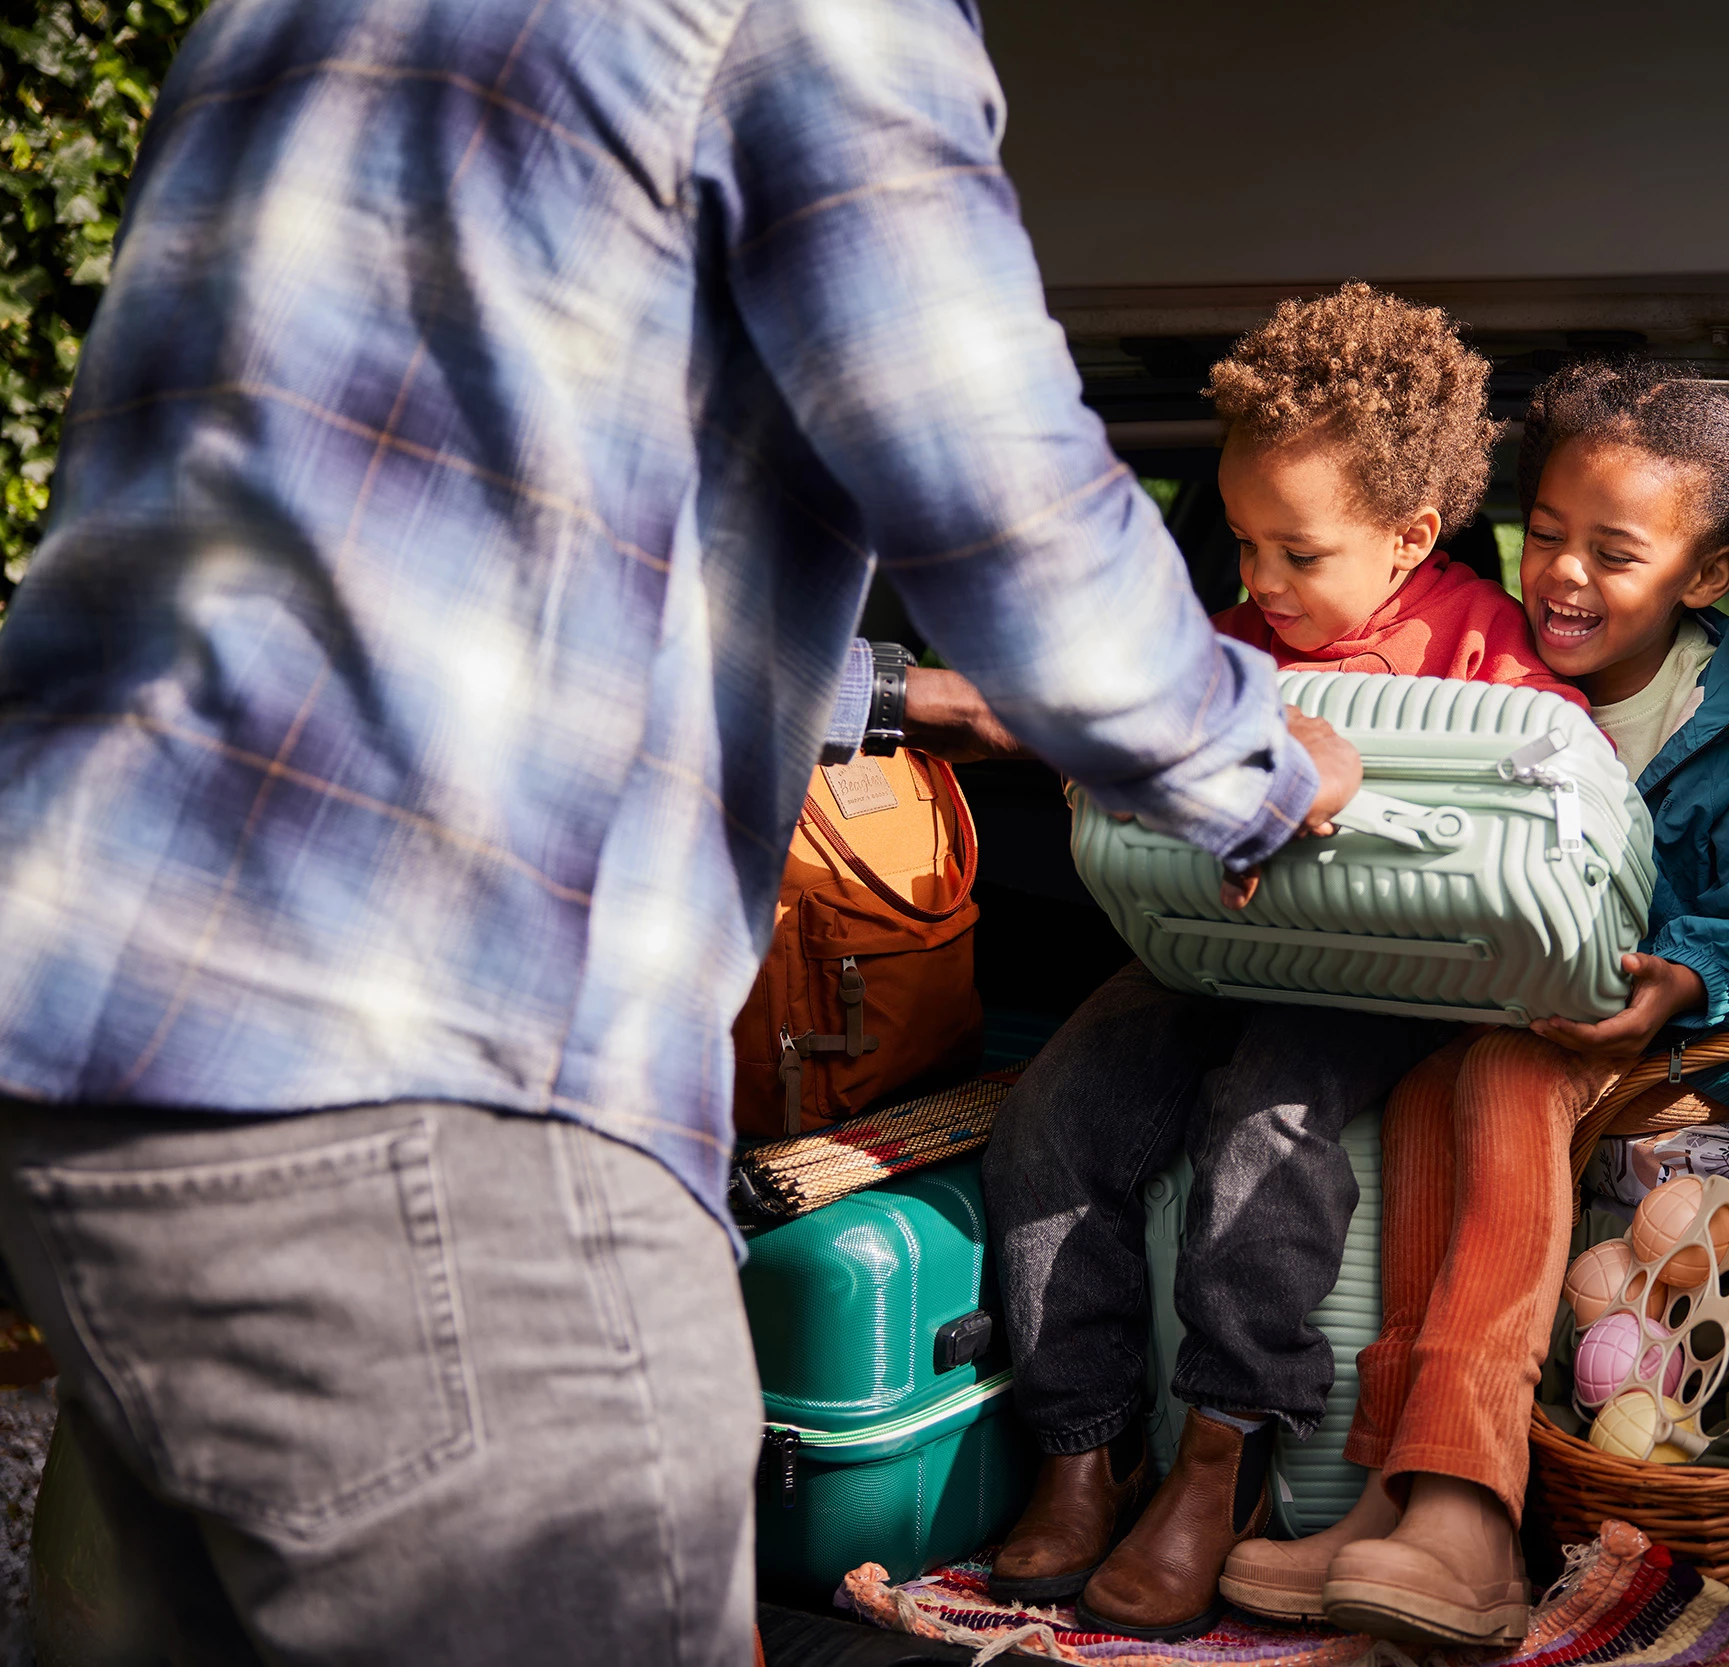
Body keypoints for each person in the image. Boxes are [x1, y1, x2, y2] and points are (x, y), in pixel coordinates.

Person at [0, 2, 1359, 1662]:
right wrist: (1249, 758)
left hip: (89, 1027)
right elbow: (996, 484)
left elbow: (459, 521)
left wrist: (901, 697)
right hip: (437, 1082)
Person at [1220, 365, 1729, 1645]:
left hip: (1707, 1048)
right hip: (1529, 1020)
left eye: (1613, 553)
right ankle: (1390, 1496)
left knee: (1505, 1078)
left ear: (1706, 572)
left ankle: (1469, 1511)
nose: (1562, 574)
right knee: (1429, 1085)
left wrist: (1680, 978)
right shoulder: (1491, 689)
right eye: (1543, 536)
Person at [983, 284, 1582, 1641]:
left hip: (1383, 976)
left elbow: (1534, 810)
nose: (1256, 581)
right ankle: (1083, 1445)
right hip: (1214, 949)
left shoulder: (1487, 648)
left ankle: (1219, 1461)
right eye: (1243, 543)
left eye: (1296, 552)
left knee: (1267, 1125)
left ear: (1410, 536)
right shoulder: (1234, 643)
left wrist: (1337, 776)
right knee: (1053, 1117)